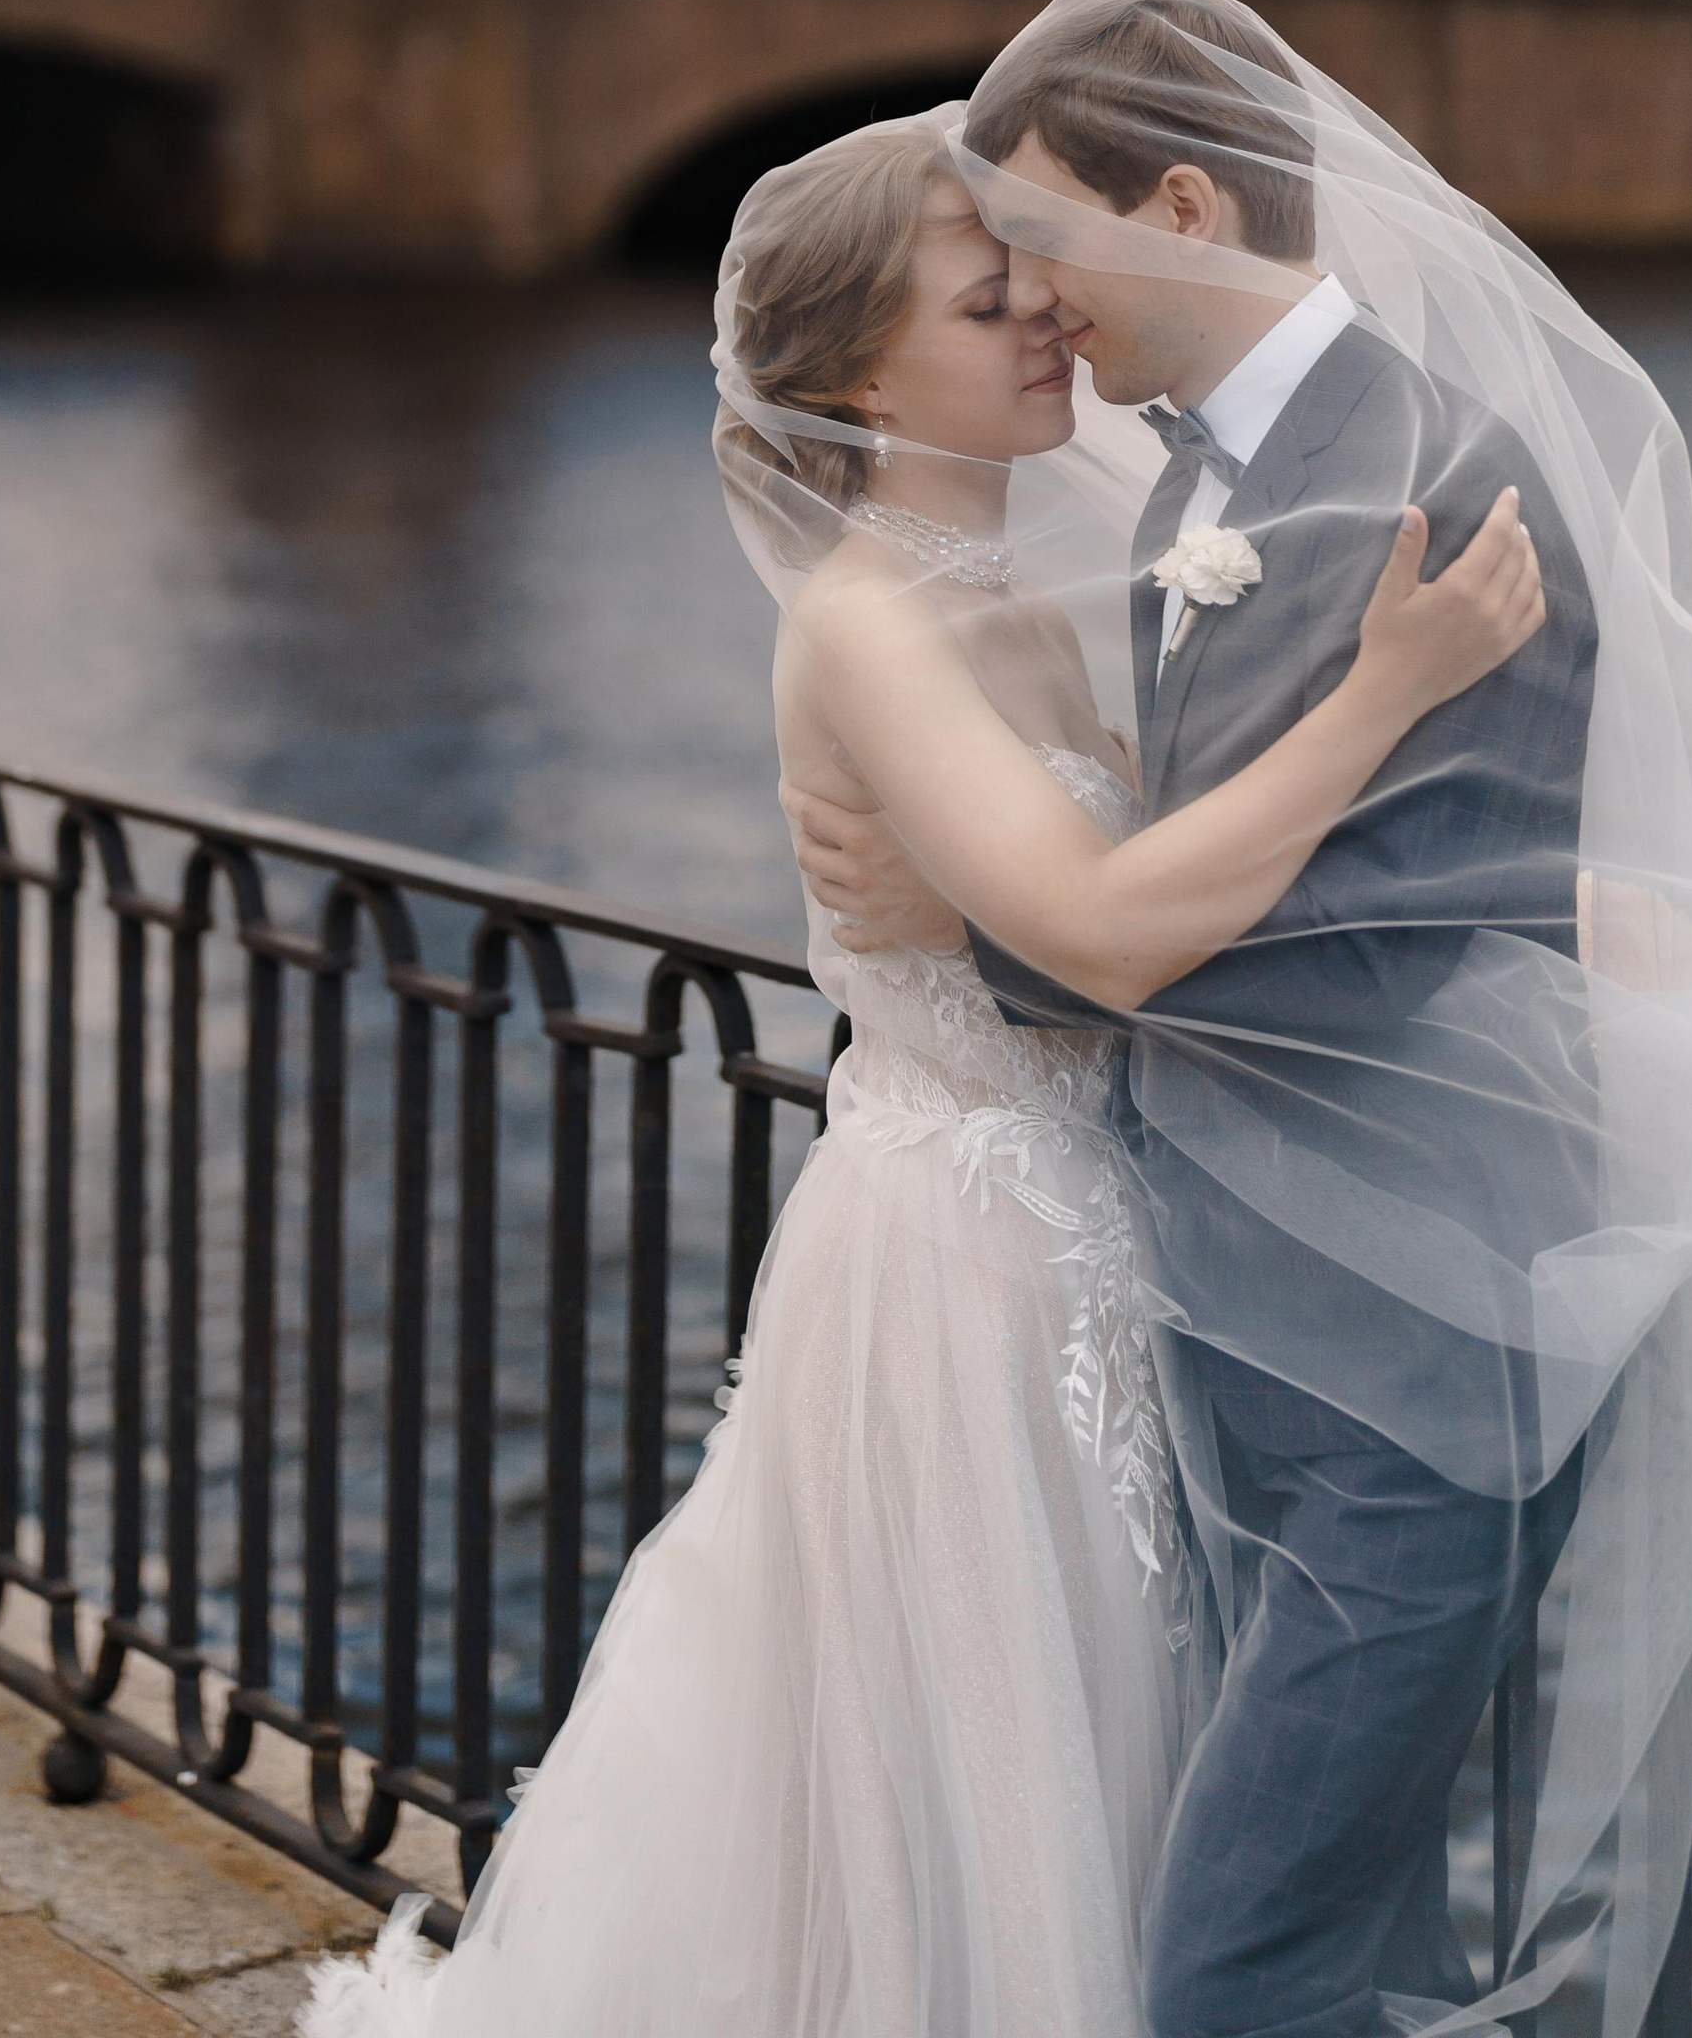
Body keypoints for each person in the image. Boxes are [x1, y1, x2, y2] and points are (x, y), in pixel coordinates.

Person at [304, 104, 1542, 2038]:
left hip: (1124, 1226)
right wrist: (1394, 682)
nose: (1051, 316)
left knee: (1139, 1737)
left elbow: (1130, 929)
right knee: (978, 1776)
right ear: (861, 375)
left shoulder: (1100, 562)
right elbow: (1118, 931)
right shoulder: (871, 626)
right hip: (964, 1261)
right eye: (991, 302)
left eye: (1041, 279)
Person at [793, 0, 1692, 2037]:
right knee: (1301, 1939)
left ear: (1180, 214)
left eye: (1043, 242)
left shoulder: (1426, 470)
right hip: (1250, 1321)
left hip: (1400, 1355)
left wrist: (966, 928)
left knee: (1231, 1967)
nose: (1037, 300)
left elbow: (1355, 941)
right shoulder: (1198, 474)